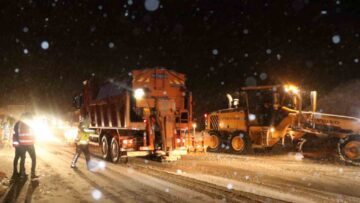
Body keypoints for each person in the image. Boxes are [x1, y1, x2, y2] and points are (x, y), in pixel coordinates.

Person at [15, 112, 39, 180]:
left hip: (22, 144)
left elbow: (17, 133)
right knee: (33, 159)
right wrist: (34, 139)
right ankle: (32, 174)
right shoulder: (31, 123)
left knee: (22, 159)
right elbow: (34, 133)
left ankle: (22, 174)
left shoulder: (20, 123)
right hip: (30, 144)